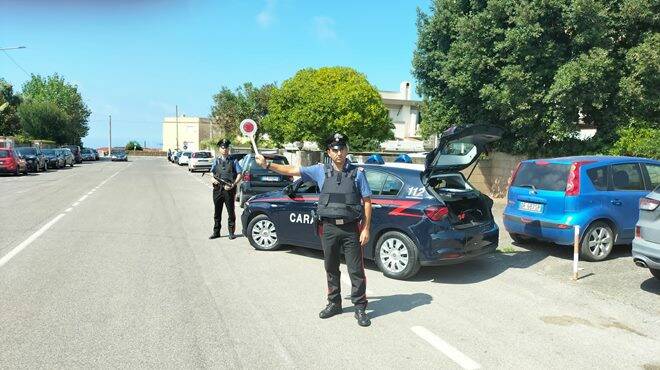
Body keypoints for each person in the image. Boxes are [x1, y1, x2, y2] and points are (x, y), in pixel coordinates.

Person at [255, 133, 373, 327]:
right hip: (328, 228)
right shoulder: (320, 171)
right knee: (331, 267)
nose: (339, 153)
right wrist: (267, 165)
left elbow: (367, 202)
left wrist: (366, 228)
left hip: (351, 228)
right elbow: (292, 169)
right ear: (328, 152)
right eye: (335, 150)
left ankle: (360, 307)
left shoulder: (358, 173)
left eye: (342, 149)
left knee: (356, 270)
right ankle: (334, 303)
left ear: (347, 150)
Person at [209, 139, 242, 240]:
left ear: (229, 149)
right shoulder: (216, 160)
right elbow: (211, 172)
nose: (225, 150)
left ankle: (231, 232)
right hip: (218, 190)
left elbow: (240, 174)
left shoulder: (234, 161)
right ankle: (216, 232)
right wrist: (213, 179)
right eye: (223, 148)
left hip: (229, 190)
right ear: (219, 149)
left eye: (226, 148)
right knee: (217, 212)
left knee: (231, 212)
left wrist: (233, 184)